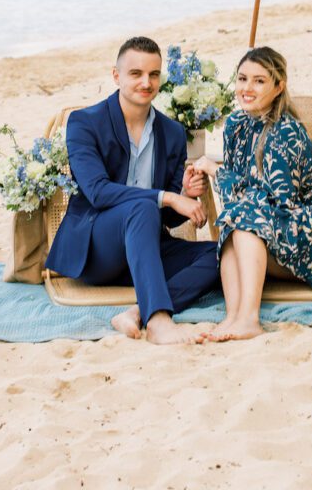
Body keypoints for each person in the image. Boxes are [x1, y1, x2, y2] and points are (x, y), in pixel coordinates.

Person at [193, 46, 312, 341]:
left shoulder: (286, 131)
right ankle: (234, 316)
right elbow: (239, 198)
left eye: (259, 81)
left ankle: (249, 319)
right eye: (242, 79)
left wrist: (217, 172)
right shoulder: (235, 126)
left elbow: (279, 202)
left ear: (278, 87)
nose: (247, 88)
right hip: (272, 218)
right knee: (234, 221)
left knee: (245, 218)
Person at [45, 36, 219, 344]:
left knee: (222, 251)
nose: (146, 82)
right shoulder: (84, 123)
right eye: (135, 74)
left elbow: (169, 220)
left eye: (153, 74)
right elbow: (98, 192)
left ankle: (138, 311)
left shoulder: (173, 133)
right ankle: (159, 320)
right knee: (142, 206)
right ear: (116, 76)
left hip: (147, 250)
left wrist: (186, 192)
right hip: (97, 251)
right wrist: (167, 196)